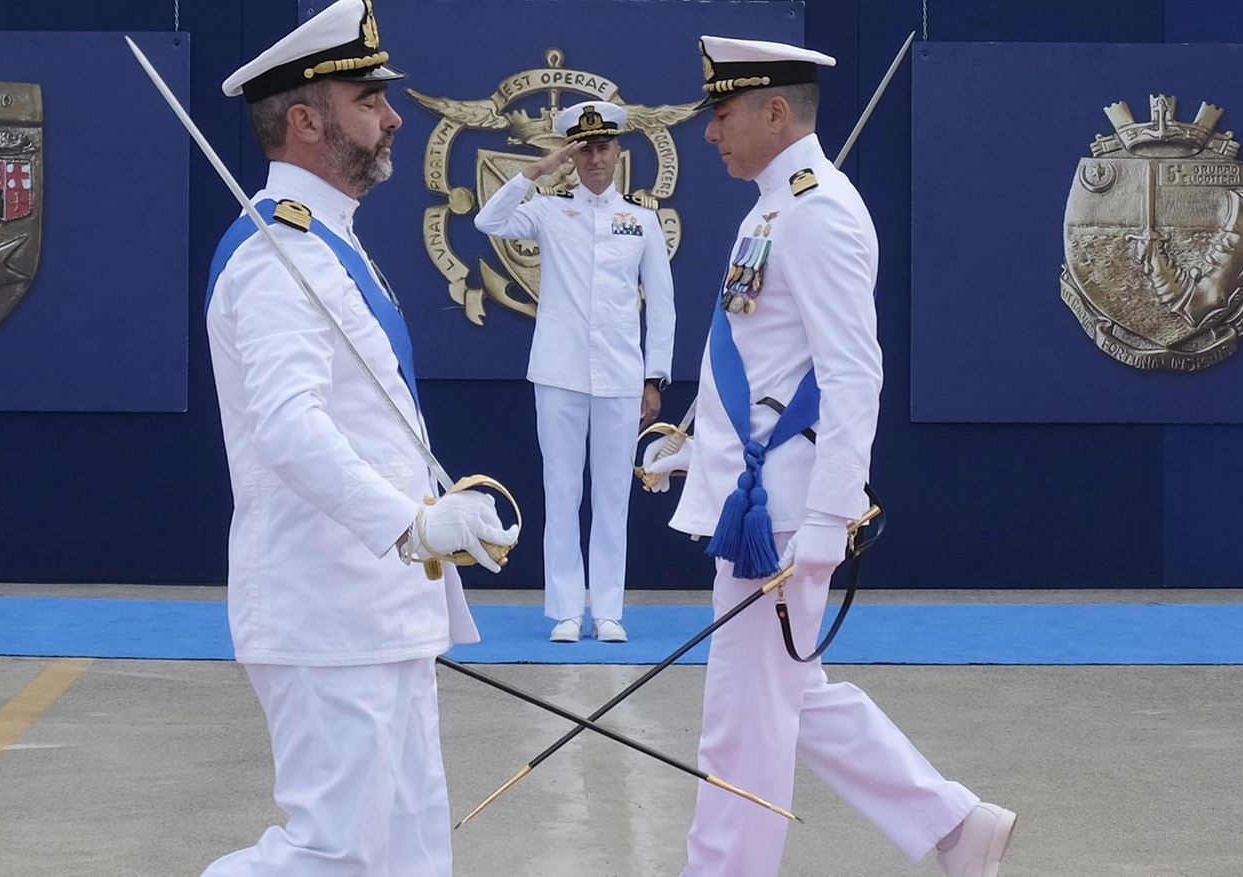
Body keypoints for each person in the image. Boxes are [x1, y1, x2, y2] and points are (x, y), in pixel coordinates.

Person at [643, 35, 1017, 877]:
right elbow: (768, 365)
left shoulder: (819, 210)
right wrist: (697, 445)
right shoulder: (773, 206)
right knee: (791, 699)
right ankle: (957, 827)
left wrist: (826, 518)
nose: (709, 131)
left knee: (742, 725)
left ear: (776, 111)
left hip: (779, 519)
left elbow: (854, 373)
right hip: (757, 496)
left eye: (724, 112)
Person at [200, 2, 516, 874]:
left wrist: (444, 513)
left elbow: (370, 426)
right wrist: (411, 525)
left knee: (411, 855)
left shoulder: (334, 245)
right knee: (331, 857)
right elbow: (288, 427)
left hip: (381, 610)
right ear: (305, 121)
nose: (392, 115)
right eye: (367, 97)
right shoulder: (279, 255)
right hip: (327, 607)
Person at [475, 101, 675, 643]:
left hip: (620, 376)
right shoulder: (546, 209)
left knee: (612, 495)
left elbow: (662, 304)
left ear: (618, 153)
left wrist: (654, 377)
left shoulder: (642, 220)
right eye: (583, 148)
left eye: (603, 147)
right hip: (559, 372)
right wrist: (538, 170)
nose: (594, 157)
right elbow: (487, 219)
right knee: (562, 491)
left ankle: (608, 609)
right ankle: (566, 608)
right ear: (572, 153)